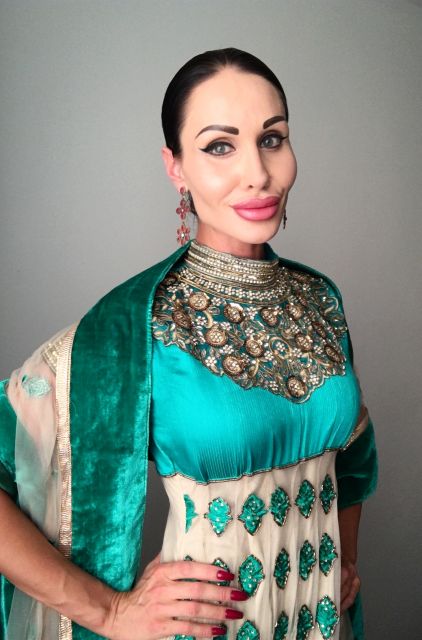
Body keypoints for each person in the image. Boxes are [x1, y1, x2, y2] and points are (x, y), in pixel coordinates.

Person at [0, 48, 377, 640]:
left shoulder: (318, 298)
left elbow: (354, 452)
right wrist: (111, 612)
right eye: (220, 146)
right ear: (175, 166)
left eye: (272, 139)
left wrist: (345, 560)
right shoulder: (136, 326)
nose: (257, 173)